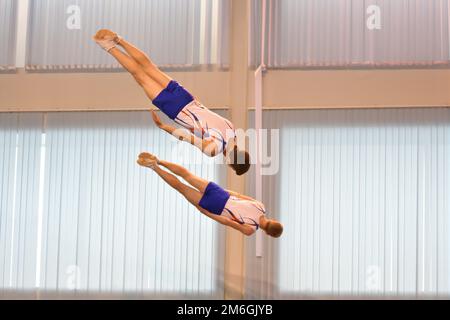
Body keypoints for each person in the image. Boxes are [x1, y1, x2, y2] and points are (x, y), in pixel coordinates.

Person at [93, 29, 250, 175]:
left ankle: (119, 40)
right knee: (140, 76)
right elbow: (186, 137)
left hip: (188, 98)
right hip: (176, 109)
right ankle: (108, 47)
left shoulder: (232, 129)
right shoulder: (213, 149)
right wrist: (163, 127)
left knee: (149, 68)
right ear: (229, 163)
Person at [136, 152, 283, 238]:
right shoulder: (250, 229)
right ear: (267, 233)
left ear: (274, 220)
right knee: (181, 187)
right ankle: (154, 167)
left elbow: (238, 194)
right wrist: (206, 212)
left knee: (187, 175)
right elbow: (227, 222)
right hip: (216, 207)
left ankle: (159, 161)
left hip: (221, 194)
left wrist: (221, 191)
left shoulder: (260, 206)